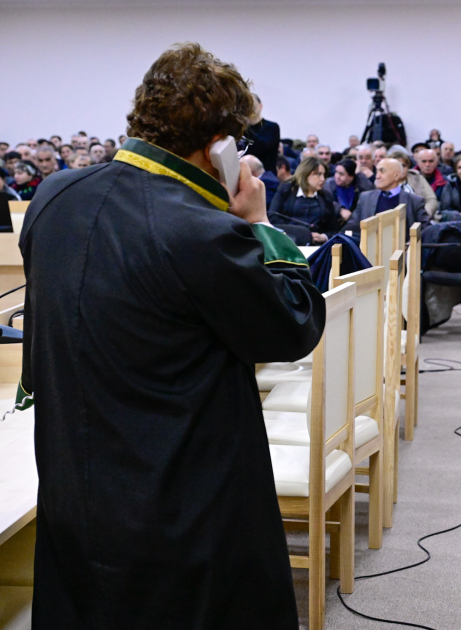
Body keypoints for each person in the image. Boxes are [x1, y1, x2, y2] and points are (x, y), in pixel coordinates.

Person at [19, 43, 324, 628]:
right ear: (221, 148)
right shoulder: (202, 232)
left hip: (73, 487)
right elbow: (292, 324)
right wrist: (259, 224)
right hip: (179, 505)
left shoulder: (52, 197)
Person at [341, 157, 430, 238]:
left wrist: (413, 241)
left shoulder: (414, 201)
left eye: (382, 171)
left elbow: (426, 231)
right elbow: (352, 226)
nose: (377, 176)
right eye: (377, 171)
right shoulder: (365, 198)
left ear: (396, 175)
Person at [268, 156, 339, 245]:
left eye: (324, 175)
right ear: (305, 174)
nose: (322, 179)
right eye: (317, 174)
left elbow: (333, 229)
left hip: (315, 246)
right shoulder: (286, 190)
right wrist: (299, 234)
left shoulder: (325, 197)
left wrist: (323, 237)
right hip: (288, 242)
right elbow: (273, 217)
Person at [389, 149, 438, 215]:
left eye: (404, 165)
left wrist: (424, 214)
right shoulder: (385, 182)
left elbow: (432, 200)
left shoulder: (417, 177)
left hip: (422, 217)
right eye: (397, 165)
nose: (401, 169)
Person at [324, 158, 374, 223]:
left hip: (355, 222)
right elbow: (326, 202)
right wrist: (340, 209)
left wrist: (359, 173)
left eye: (341, 174)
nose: (337, 176)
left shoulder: (358, 183)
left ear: (351, 177)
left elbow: (371, 191)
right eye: (336, 172)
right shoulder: (329, 184)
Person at [245, 92, 281, 174]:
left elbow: (262, 147)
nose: (250, 108)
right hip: (246, 175)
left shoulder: (272, 127)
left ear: (260, 106)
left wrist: (246, 127)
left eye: (252, 104)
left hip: (266, 176)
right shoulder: (241, 129)